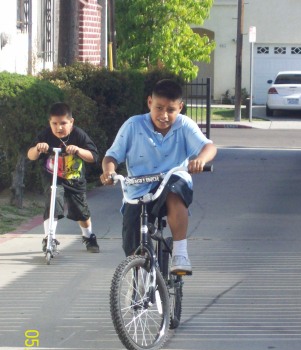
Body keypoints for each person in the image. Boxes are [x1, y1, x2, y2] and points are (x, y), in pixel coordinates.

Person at [101, 79, 217, 274]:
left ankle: (180, 252)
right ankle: (139, 286)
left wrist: (201, 160)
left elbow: (209, 146)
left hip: (172, 181)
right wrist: (109, 172)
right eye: (159, 108)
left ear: (180, 107)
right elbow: (112, 155)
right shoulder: (133, 125)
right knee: (132, 245)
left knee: (173, 189)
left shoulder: (184, 125)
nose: (164, 115)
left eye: (171, 110)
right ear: (149, 103)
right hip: (138, 188)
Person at [27, 102, 100, 253]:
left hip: (74, 178)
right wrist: (38, 148)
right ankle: (49, 237)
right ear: (49, 122)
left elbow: (93, 156)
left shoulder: (78, 135)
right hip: (53, 177)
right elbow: (31, 155)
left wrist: (79, 150)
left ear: (71, 122)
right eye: (54, 123)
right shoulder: (46, 135)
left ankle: (88, 236)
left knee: (80, 210)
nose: (59, 127)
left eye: (63, 123)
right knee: (53, 201)